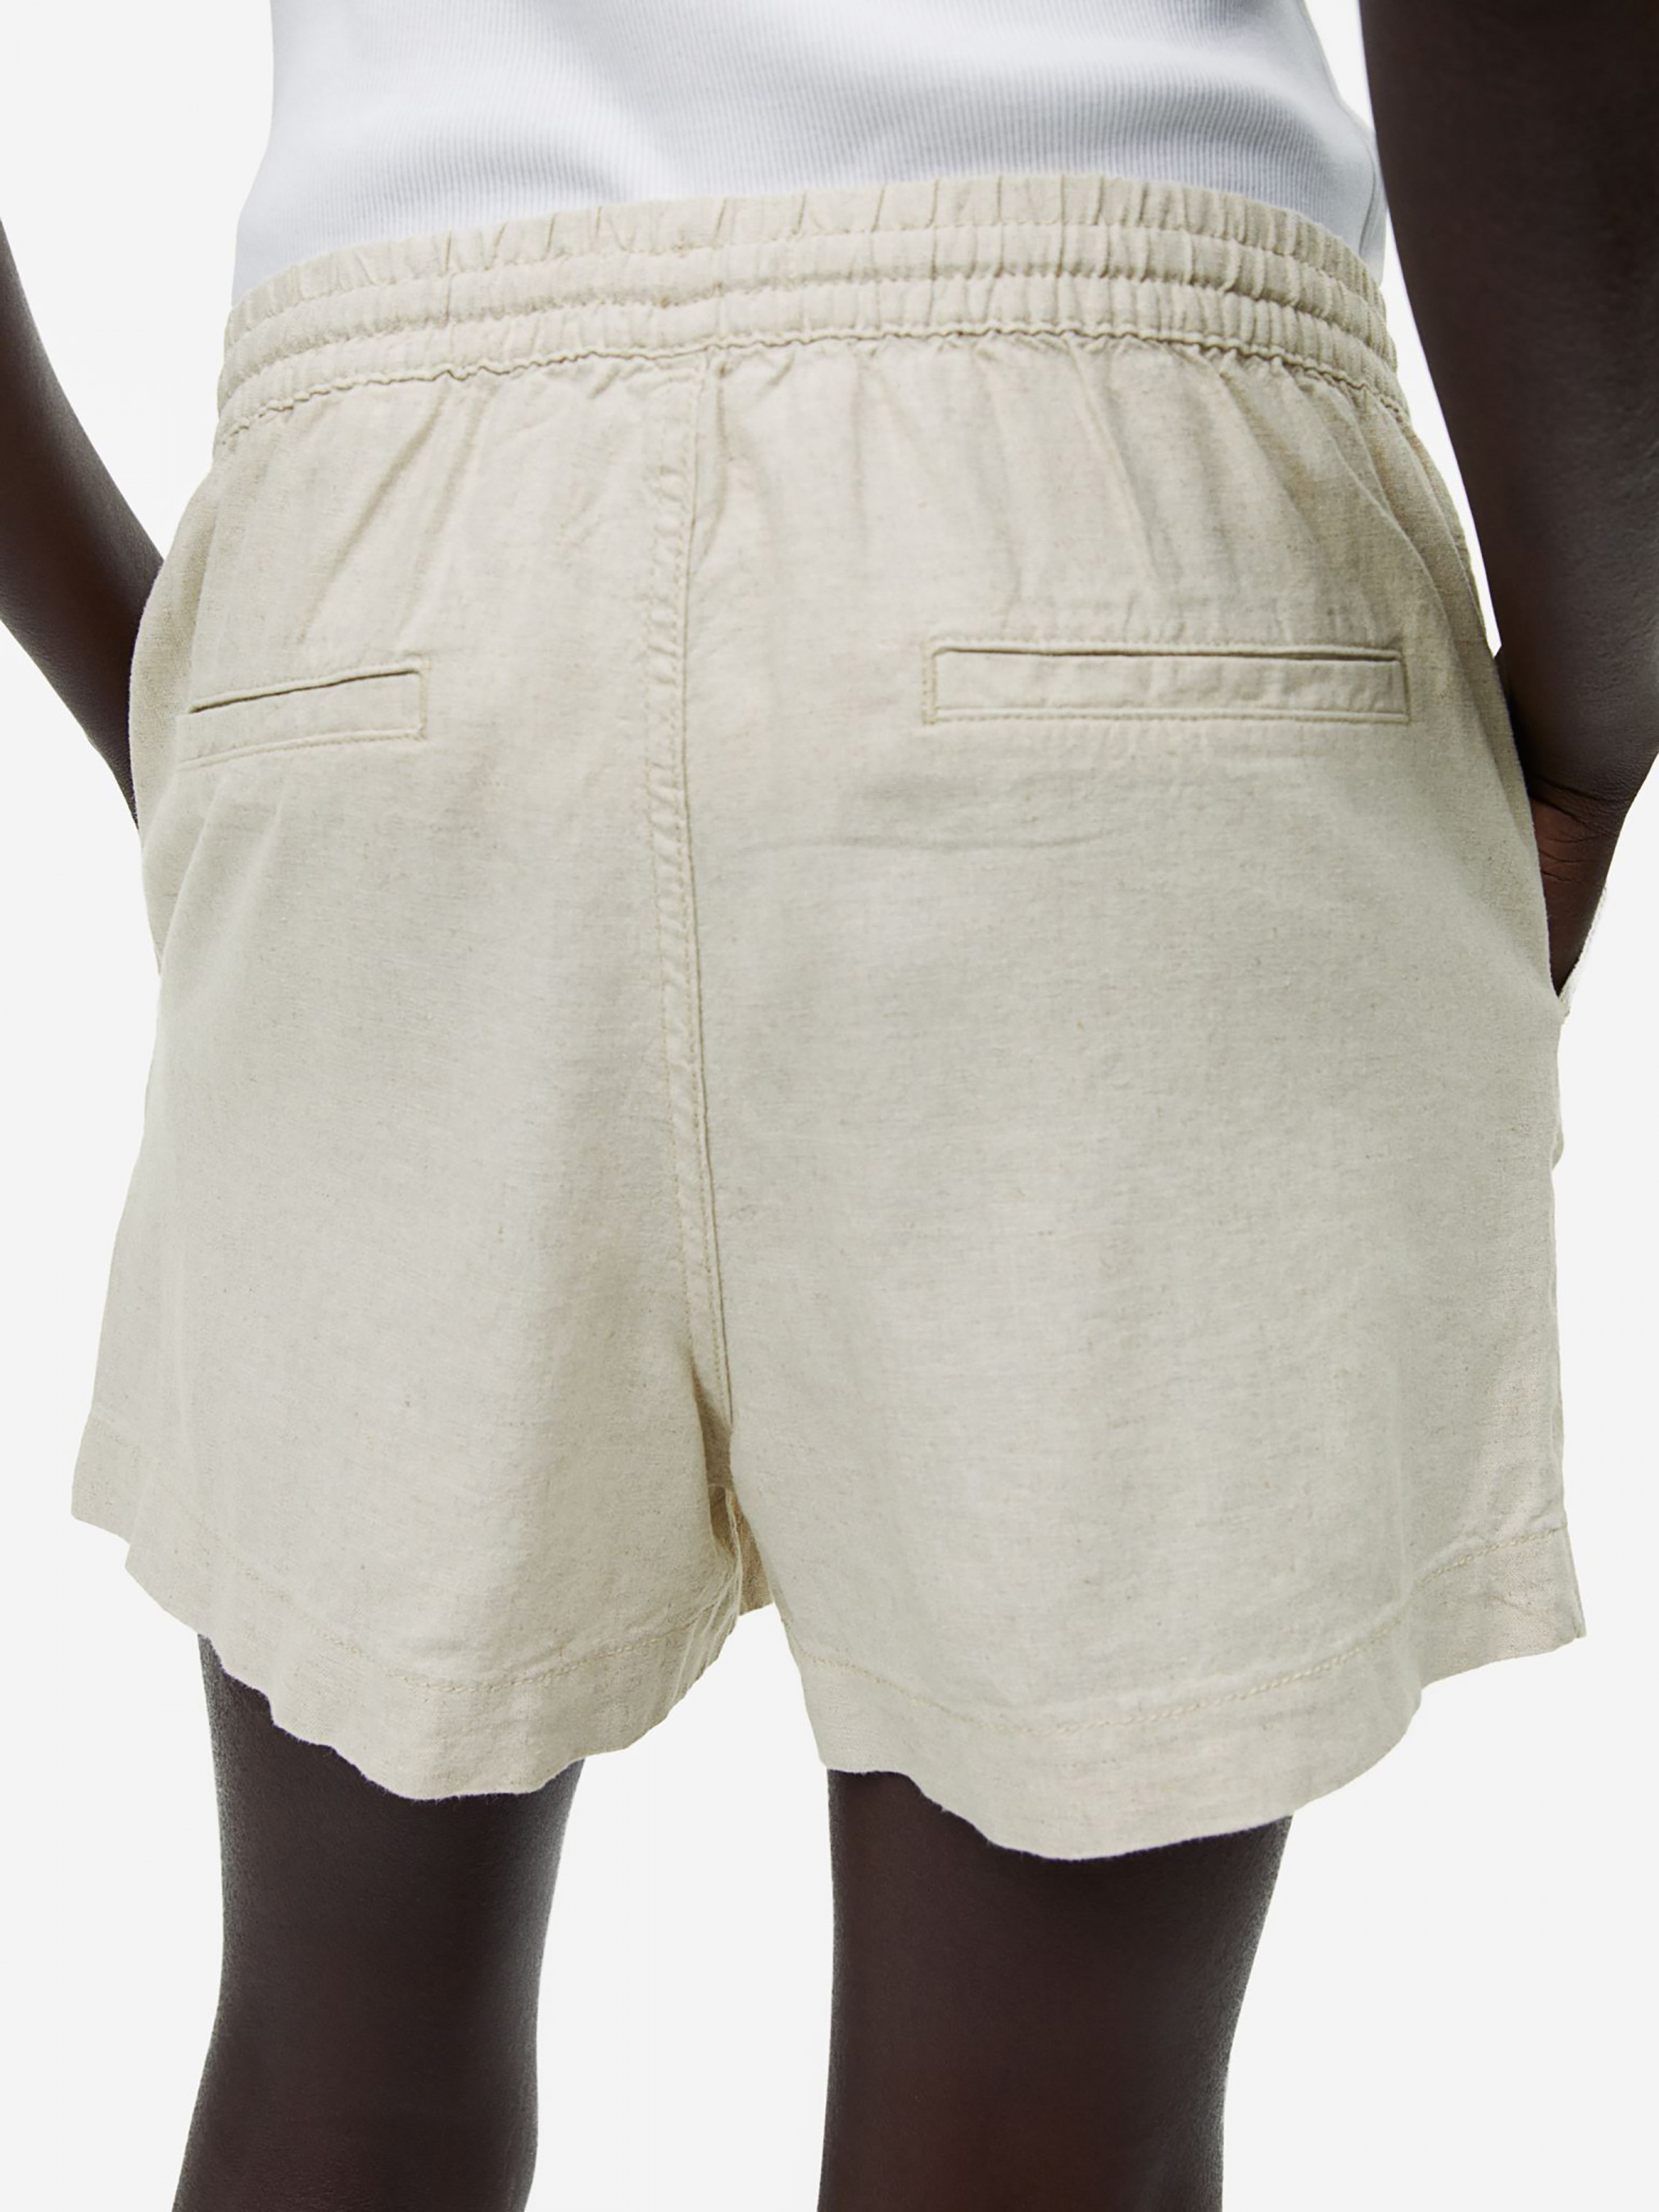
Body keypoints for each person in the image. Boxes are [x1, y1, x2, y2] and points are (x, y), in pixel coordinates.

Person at [4, 4, 1648, 2207]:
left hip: (377, 569)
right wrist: (1593, 704)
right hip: (1107, 515)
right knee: (1039, 2136)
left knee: (338, 2053)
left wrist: (164, 682)